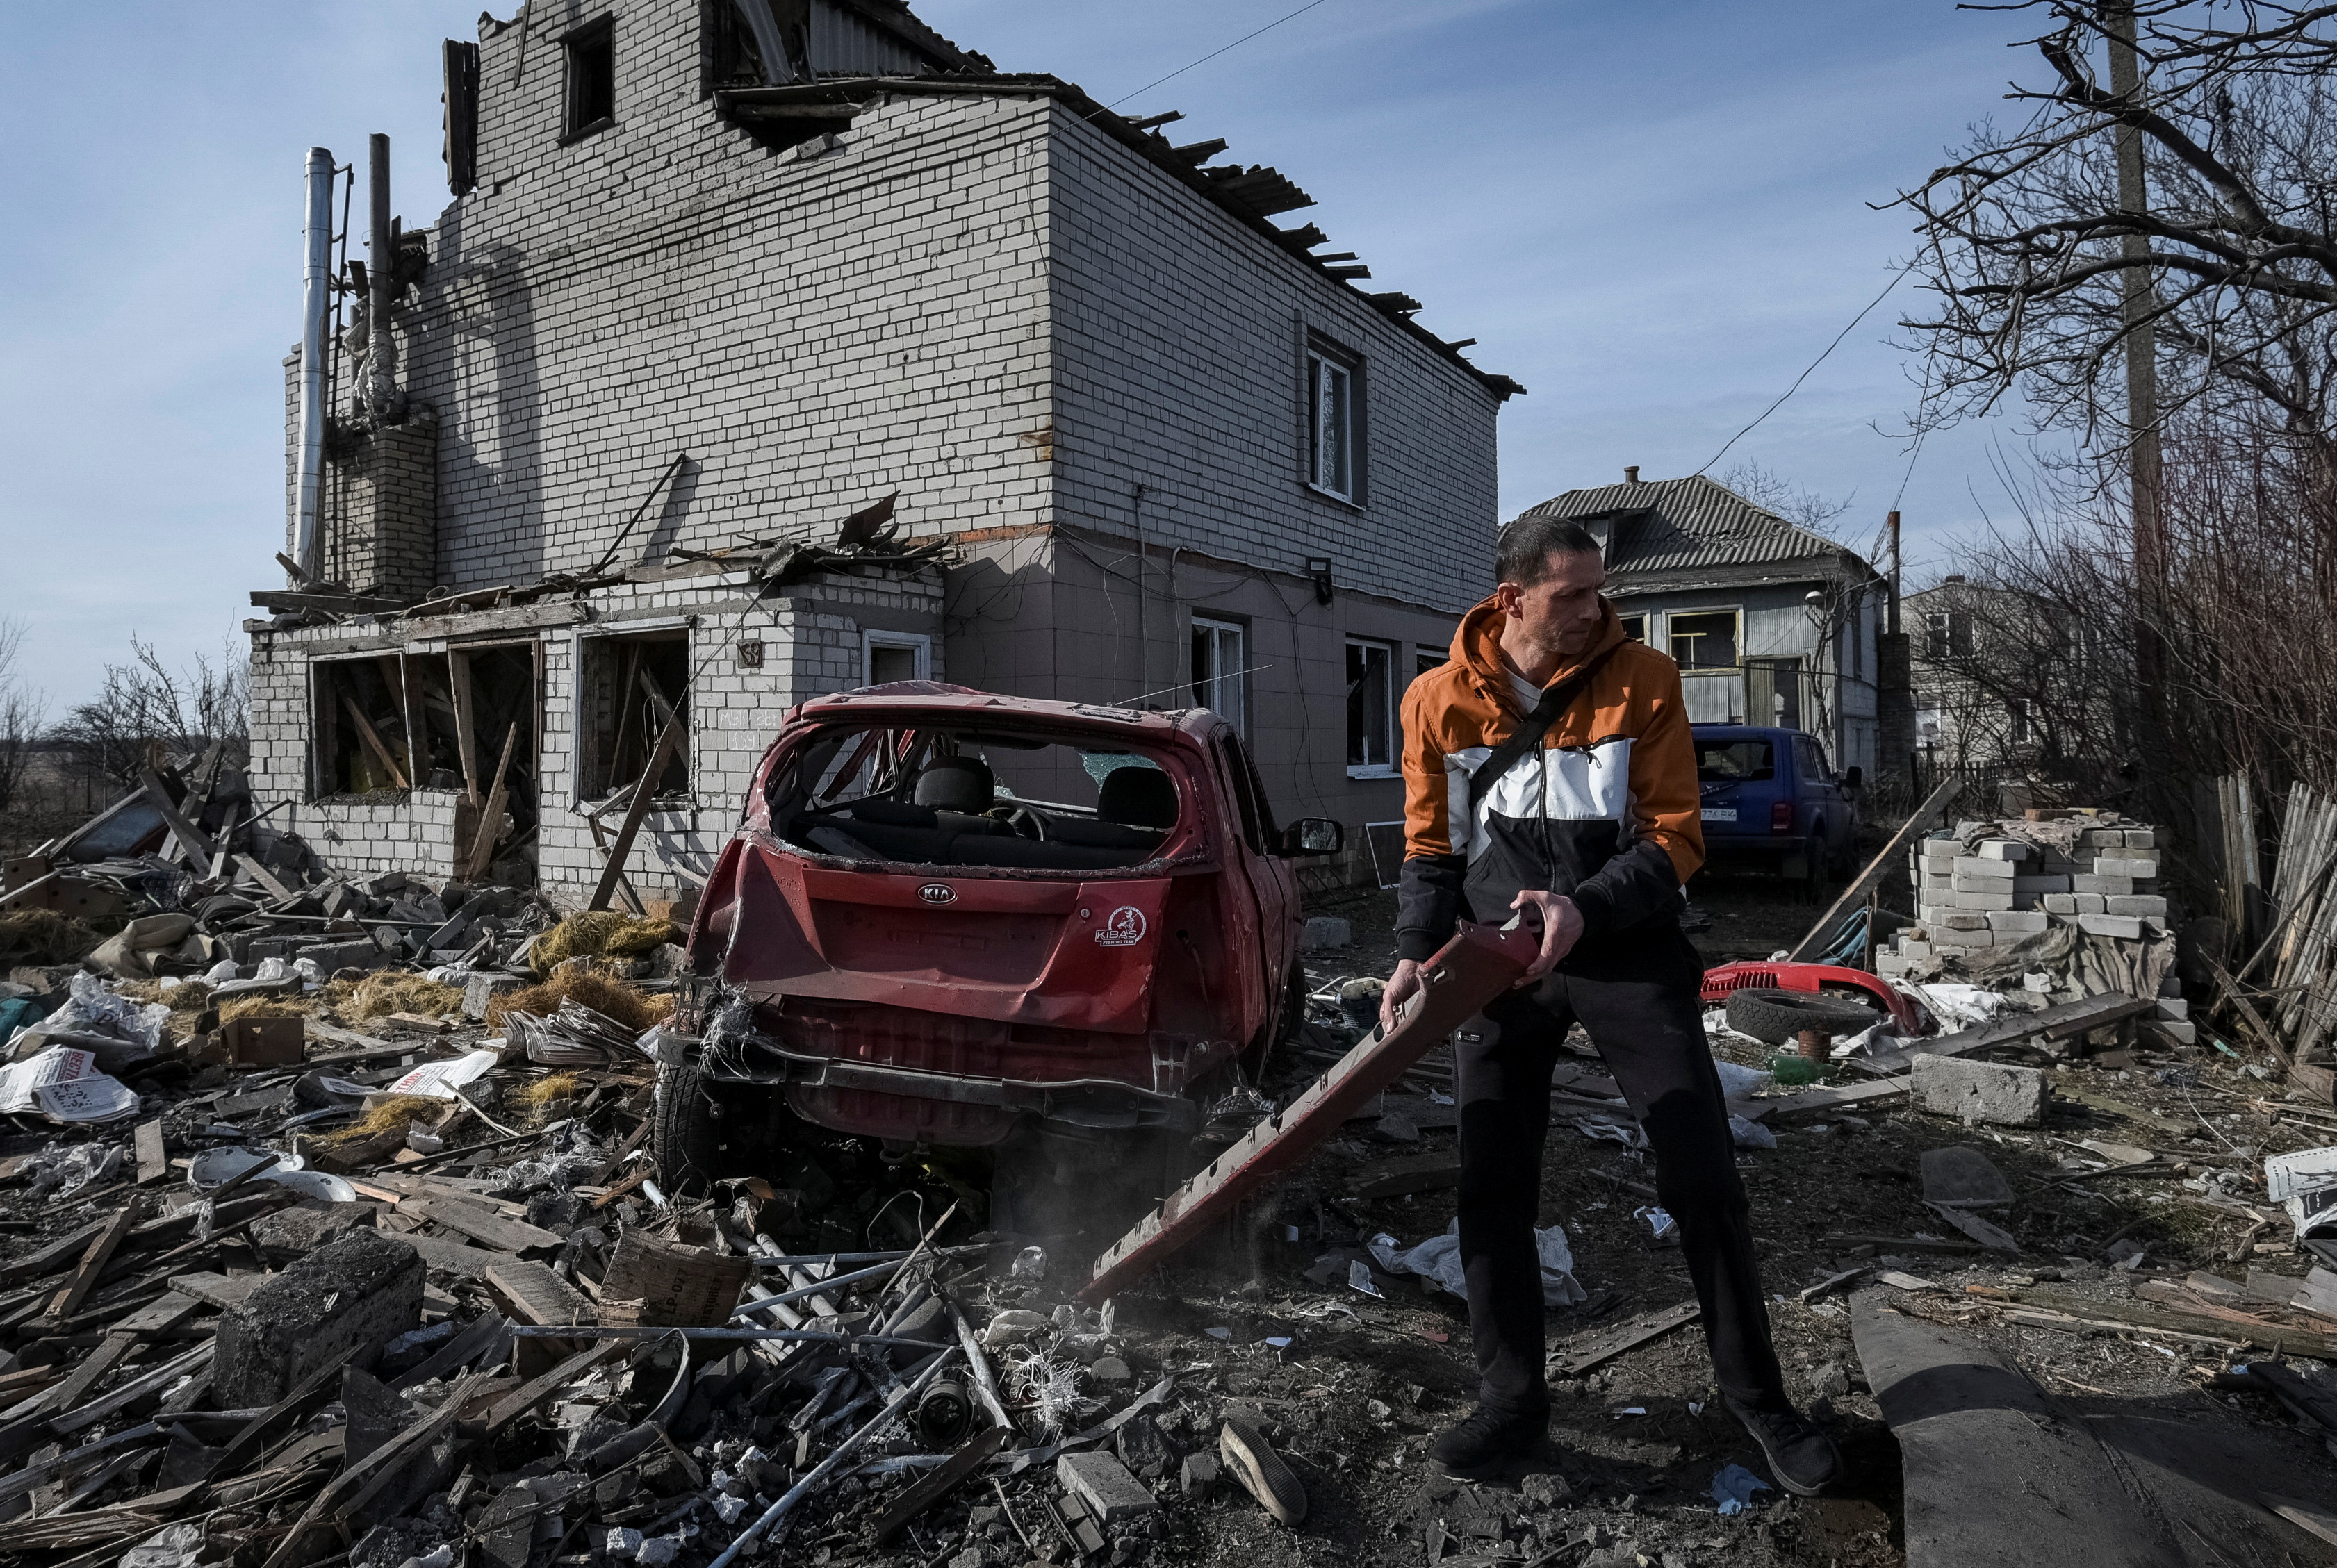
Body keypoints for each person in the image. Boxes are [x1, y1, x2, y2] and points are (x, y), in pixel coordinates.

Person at [1381, 515, 1840, 1495]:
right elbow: (1432, 848)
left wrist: (1582, 908)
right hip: (1498, 963)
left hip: (1622, 950)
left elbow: (1676, 841)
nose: (1597, 610)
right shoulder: (1434, 700)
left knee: (1702, 1170)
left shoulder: (1646, 680)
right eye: (1574, 595)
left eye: (1600, 591)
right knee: (1491, 1178)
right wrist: (1415, 954)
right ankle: (1511, 1399)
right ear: (1512, 601)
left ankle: (1758, 1400)